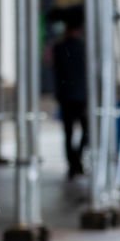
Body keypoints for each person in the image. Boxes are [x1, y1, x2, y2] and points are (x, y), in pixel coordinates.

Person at [52, 10, 88, 180]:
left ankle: (74, 163)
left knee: (68, 133)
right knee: (85, 131)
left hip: (66, 96)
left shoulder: (59, 48)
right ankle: (76, 161)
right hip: (80, 96)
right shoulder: (83, 48)